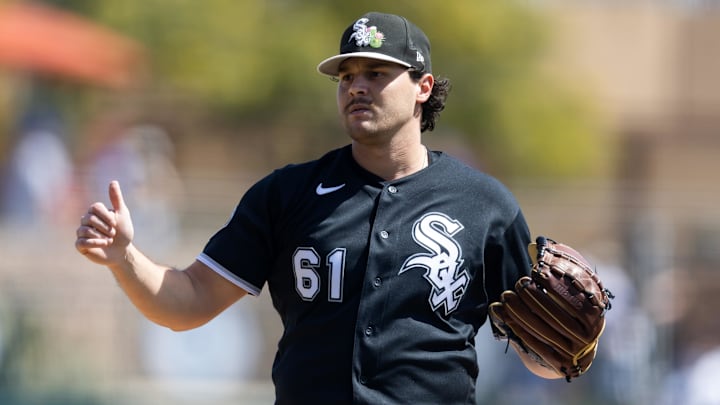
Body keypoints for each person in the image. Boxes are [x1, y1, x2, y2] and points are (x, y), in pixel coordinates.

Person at [75, 11, 563, 404]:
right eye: (346, 75)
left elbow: (542, 353)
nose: (356, 86)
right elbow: (188, 302)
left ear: (423, 86)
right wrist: (125, 257)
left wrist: (573, 343)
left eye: (376, 72)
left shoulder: (482, 204)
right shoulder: (287, 195)